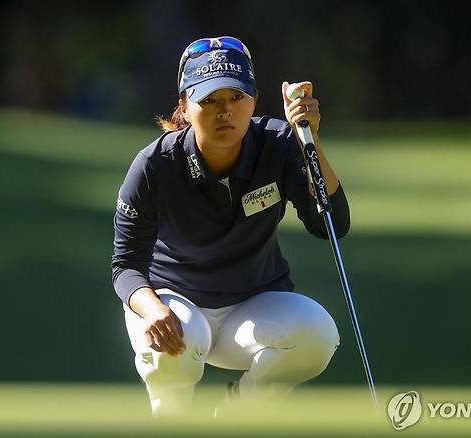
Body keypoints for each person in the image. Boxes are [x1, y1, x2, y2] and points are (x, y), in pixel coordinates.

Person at [111, 36, 350, 417]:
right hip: (174, 303)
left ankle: (237, 417)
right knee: (179, 343)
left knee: (317, 335)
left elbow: (331, 225)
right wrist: (152, 309)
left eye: (237, 98)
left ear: (254, 99)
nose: (226, 112)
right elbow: (125, 266)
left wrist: (310, 138)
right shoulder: (154, 165)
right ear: (185, 107)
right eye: (209, 100)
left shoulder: (279, 144)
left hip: (252, 307)